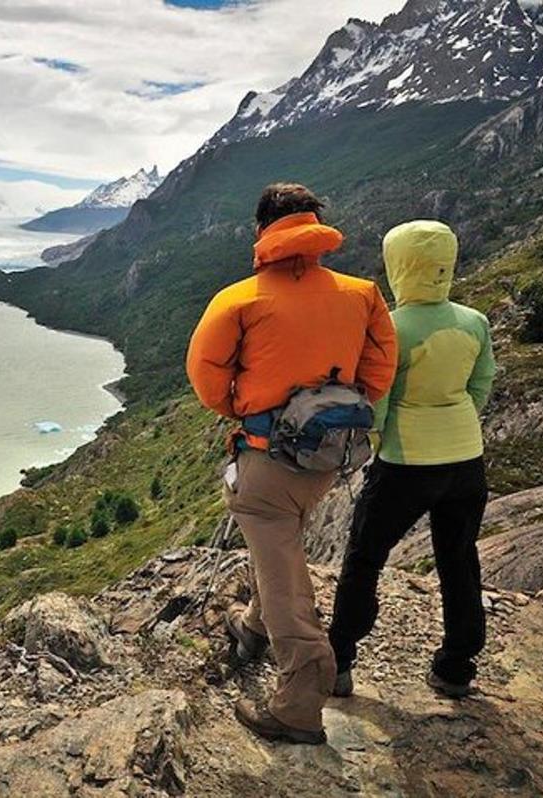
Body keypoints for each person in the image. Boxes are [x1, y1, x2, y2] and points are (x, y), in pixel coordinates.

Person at [186, 183, 397, 745]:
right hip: (327, 457)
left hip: (266, 460)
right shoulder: (363, 293)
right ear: (315, 228)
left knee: (283, 572)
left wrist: (247, 408)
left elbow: (208, 380)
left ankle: (300, 702)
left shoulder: (238, 300)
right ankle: (254, 627)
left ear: (262, 232)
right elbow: (379, 371)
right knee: (279, 543)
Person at [328, 220, 496, 699]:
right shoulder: (474, 321)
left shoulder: (391, 327)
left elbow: (377, 397)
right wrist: (455, 419)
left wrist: (380, 440)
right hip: (466, 459)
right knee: (459, 559)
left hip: (406, 459)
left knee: (365, 557)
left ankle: (338, 659)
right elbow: (480, 384)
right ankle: (456, 667)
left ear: (398, 265)